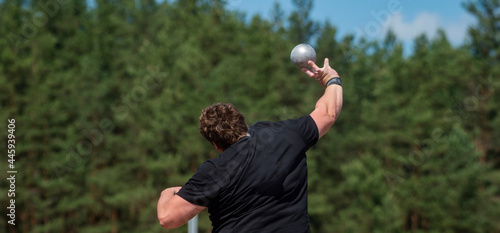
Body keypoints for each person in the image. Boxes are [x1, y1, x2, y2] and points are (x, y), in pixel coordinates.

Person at [157, 58, 343, 232]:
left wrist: (168, 192)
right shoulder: (285, 135)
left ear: (215, 144)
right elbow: (328, 113)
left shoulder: (214, 172)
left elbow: (167, 218)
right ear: (242, 121)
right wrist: (331, 79)